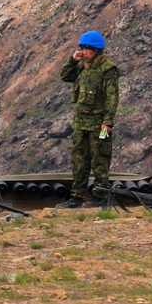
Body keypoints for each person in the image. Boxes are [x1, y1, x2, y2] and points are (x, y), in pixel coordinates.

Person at [58, 30, 119, 209]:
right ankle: (77, 196)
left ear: (96, 50)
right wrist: (73, 60)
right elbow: (65, 76)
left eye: (87, 49)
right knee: (79, 159)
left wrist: (107, 122)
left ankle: (101, 195)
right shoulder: (82, 66)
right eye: (82, 48)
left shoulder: (107, 69)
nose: (83, 52)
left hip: (100, 124)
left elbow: (112, 98)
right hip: (81, 123)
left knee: (100, 158)